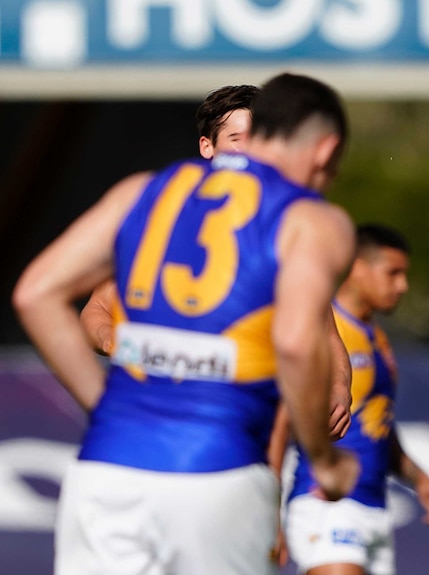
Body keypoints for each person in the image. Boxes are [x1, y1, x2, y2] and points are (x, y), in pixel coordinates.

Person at [13, 72, 361, 575]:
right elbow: (295, 342)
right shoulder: (307, 219)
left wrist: (105, 406)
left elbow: (35, 293)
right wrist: (324, 460)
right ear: (325, 151)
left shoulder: (143, 192)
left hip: (107, 470)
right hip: (218, 472)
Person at [79, 84, 352, 439]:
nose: (250, 149)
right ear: (207, 146)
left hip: (233, 433)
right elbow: (96, 307)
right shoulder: (167, 214)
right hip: (157, 429)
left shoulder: (280, 224)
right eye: (237, 138)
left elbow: (326, 335)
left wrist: (339, 389)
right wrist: (116, 343)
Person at [280, 224, 429, 575]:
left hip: (374, 509)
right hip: (328, 504)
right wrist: (267, 510)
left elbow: (376, 422)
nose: (402, 286)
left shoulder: (379, 340)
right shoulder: (318, 332)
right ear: (357, 267)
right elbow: (281, 415)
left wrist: (417, 478)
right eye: (392, 273)